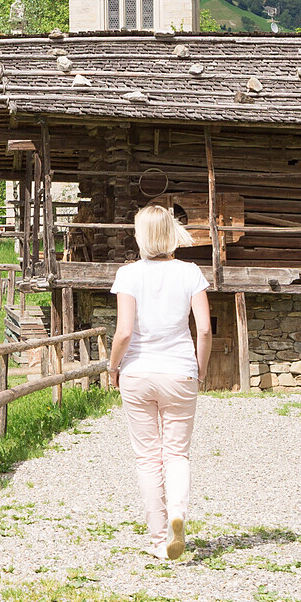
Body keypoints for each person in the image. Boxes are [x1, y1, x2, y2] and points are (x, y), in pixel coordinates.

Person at [104, 204, 211, 560]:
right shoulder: (191, 272)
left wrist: (112, 366)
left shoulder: (129, 274)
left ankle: (158, 539)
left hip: (138, 372)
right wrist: (201, 369)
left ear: (140, 235)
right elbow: (206, 330)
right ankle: (178, 513)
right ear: (170, 233)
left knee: (148, 458)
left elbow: (123, 332)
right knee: (177, 453)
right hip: (180, 370)